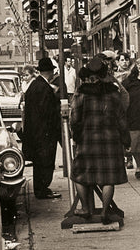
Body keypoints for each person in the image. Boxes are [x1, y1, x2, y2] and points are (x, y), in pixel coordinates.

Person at [70, 56, 129, 224]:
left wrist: (76, 136)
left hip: (87, 140)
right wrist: (126, 140)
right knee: (108, 178)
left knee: (78, 175)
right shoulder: (113, 94)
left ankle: (86, 208)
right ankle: (104, 211)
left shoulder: (81, 94)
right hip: (111, 140)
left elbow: (74, 119)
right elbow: (122, 119)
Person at [22, 57, 62, 200]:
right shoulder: (44, 88)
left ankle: (41, 188)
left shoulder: (35, 85)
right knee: (45, 162)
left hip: (36, 132)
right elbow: (47, 112)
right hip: (44, 133)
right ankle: (42, 189)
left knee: (39, 163)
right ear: (50, 71)